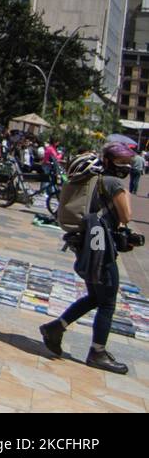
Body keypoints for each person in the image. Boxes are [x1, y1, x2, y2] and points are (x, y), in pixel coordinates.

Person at [41, 145, 143, 374]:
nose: (125, 167)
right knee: (107, 301)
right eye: (122, 162)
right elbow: (126, 216)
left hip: (85, 245)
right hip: (101, 250)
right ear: (109, 161)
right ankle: (97, 353)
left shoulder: (95, 181)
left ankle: (55, 327)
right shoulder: (113, 184)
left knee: (97, 296)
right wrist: (124, 190)